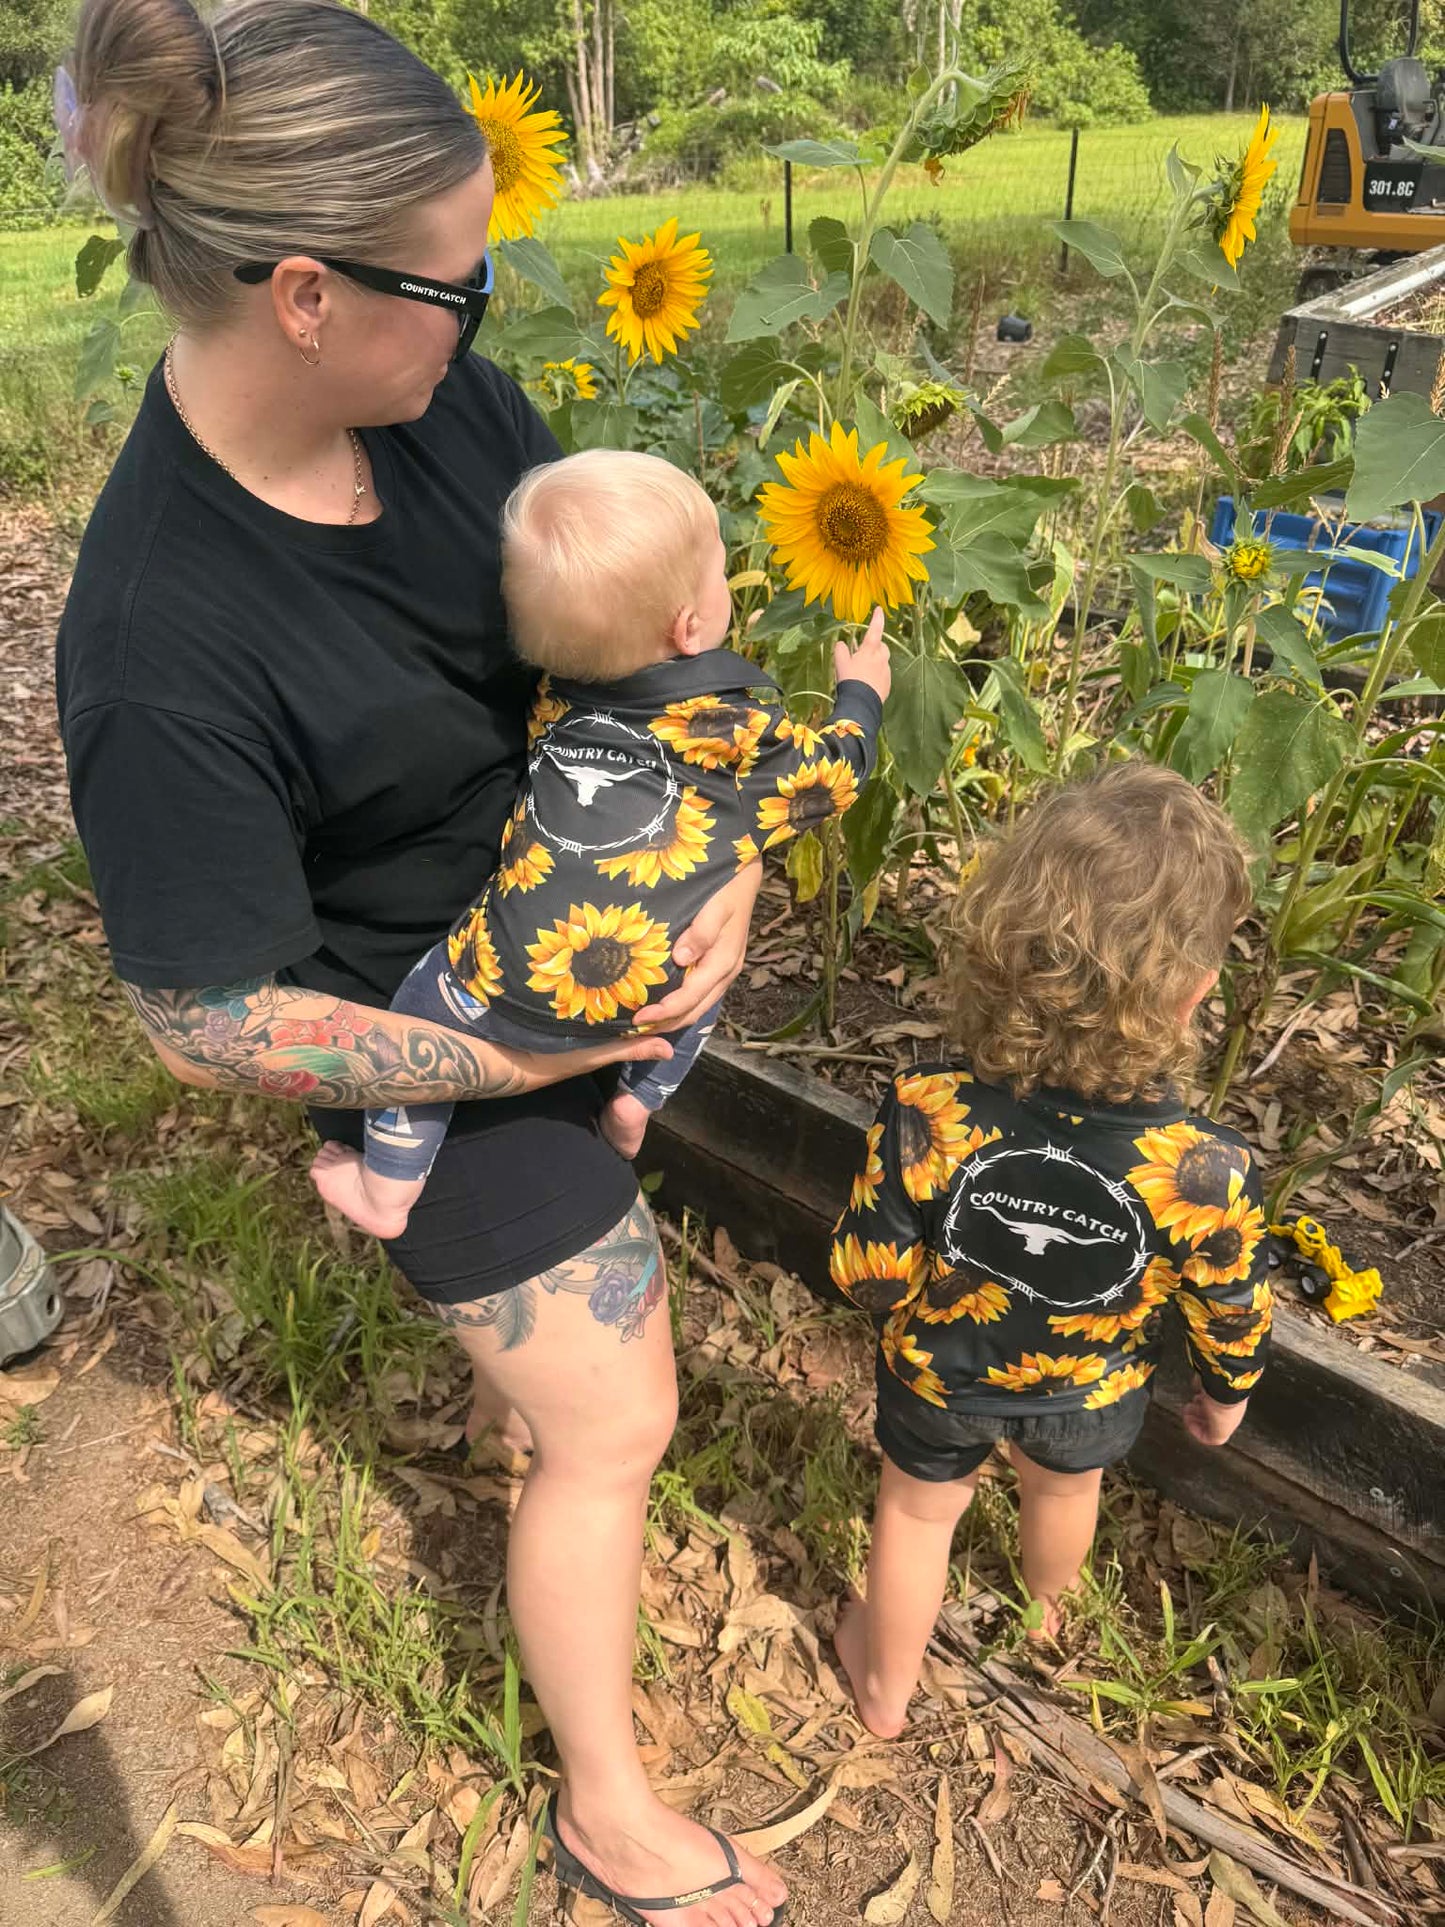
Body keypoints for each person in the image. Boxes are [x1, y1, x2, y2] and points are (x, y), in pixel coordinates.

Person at [53, 2, 787, 1920]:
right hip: (421, 1028)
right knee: (620, 1416)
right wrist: (528, 1062)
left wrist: (727, 859)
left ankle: (500, 1360)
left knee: (583, 1306)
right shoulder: (158, 641)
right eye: (460, 280)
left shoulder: (441, 407)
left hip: (564, 930)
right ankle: (607, 1809)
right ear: (306, 294)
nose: (486, 313)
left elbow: (606, 657)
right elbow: (206, 1016)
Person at [312, 448, 891, 1237]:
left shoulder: (549, 699)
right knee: (703, 980)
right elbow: (832, 779)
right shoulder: (736, 729)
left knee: (413, 1026)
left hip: (499, 978)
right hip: (642, 993)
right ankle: (636, 1101)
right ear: (689, 626)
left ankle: (387, 1188)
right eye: (720, 573)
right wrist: (861, 694)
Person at [827, 762, 1272, 1739]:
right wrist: (1225, 1392)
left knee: (916, 1512)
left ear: (1000, 947)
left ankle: (883, 1686)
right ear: (1196, 992)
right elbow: (1230, 1304)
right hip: (1091, 1386)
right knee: (1066, 1487)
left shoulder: (928, 1107)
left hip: (939, 1371)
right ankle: (1044, 1612)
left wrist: (899, 1306)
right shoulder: (1203, 1170)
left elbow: (867, 1270)